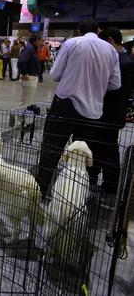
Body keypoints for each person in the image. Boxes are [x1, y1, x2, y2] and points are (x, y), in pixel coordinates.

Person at [35, 18, 121, 198]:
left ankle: (40, 191)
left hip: (66, 104)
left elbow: (55, 74)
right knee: (80, 157)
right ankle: (73, 197)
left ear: (78, 30)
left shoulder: (72, 43)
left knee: (52, 149)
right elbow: (115, 84)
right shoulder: (111, 50)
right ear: (98, 30)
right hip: (93, 110)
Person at [90, 27, 134, 201]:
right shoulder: (115, 59)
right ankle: (100, 180)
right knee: (100, 146)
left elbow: (122, 91)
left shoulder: (126, 63)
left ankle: (111, 185)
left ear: (110, 41)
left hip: (112, 114)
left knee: (110, 148)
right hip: (102, 112)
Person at [17, 34, 42, 108]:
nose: (41, 42)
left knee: (27, 101)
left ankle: (22, 118)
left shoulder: (31, 48)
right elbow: (21, 61)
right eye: (40, 40)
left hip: (31, 77)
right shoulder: (29, 49)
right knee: (25, 103)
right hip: (29, 78)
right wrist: (24, 73)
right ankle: (20, 119)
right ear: (36, 40)